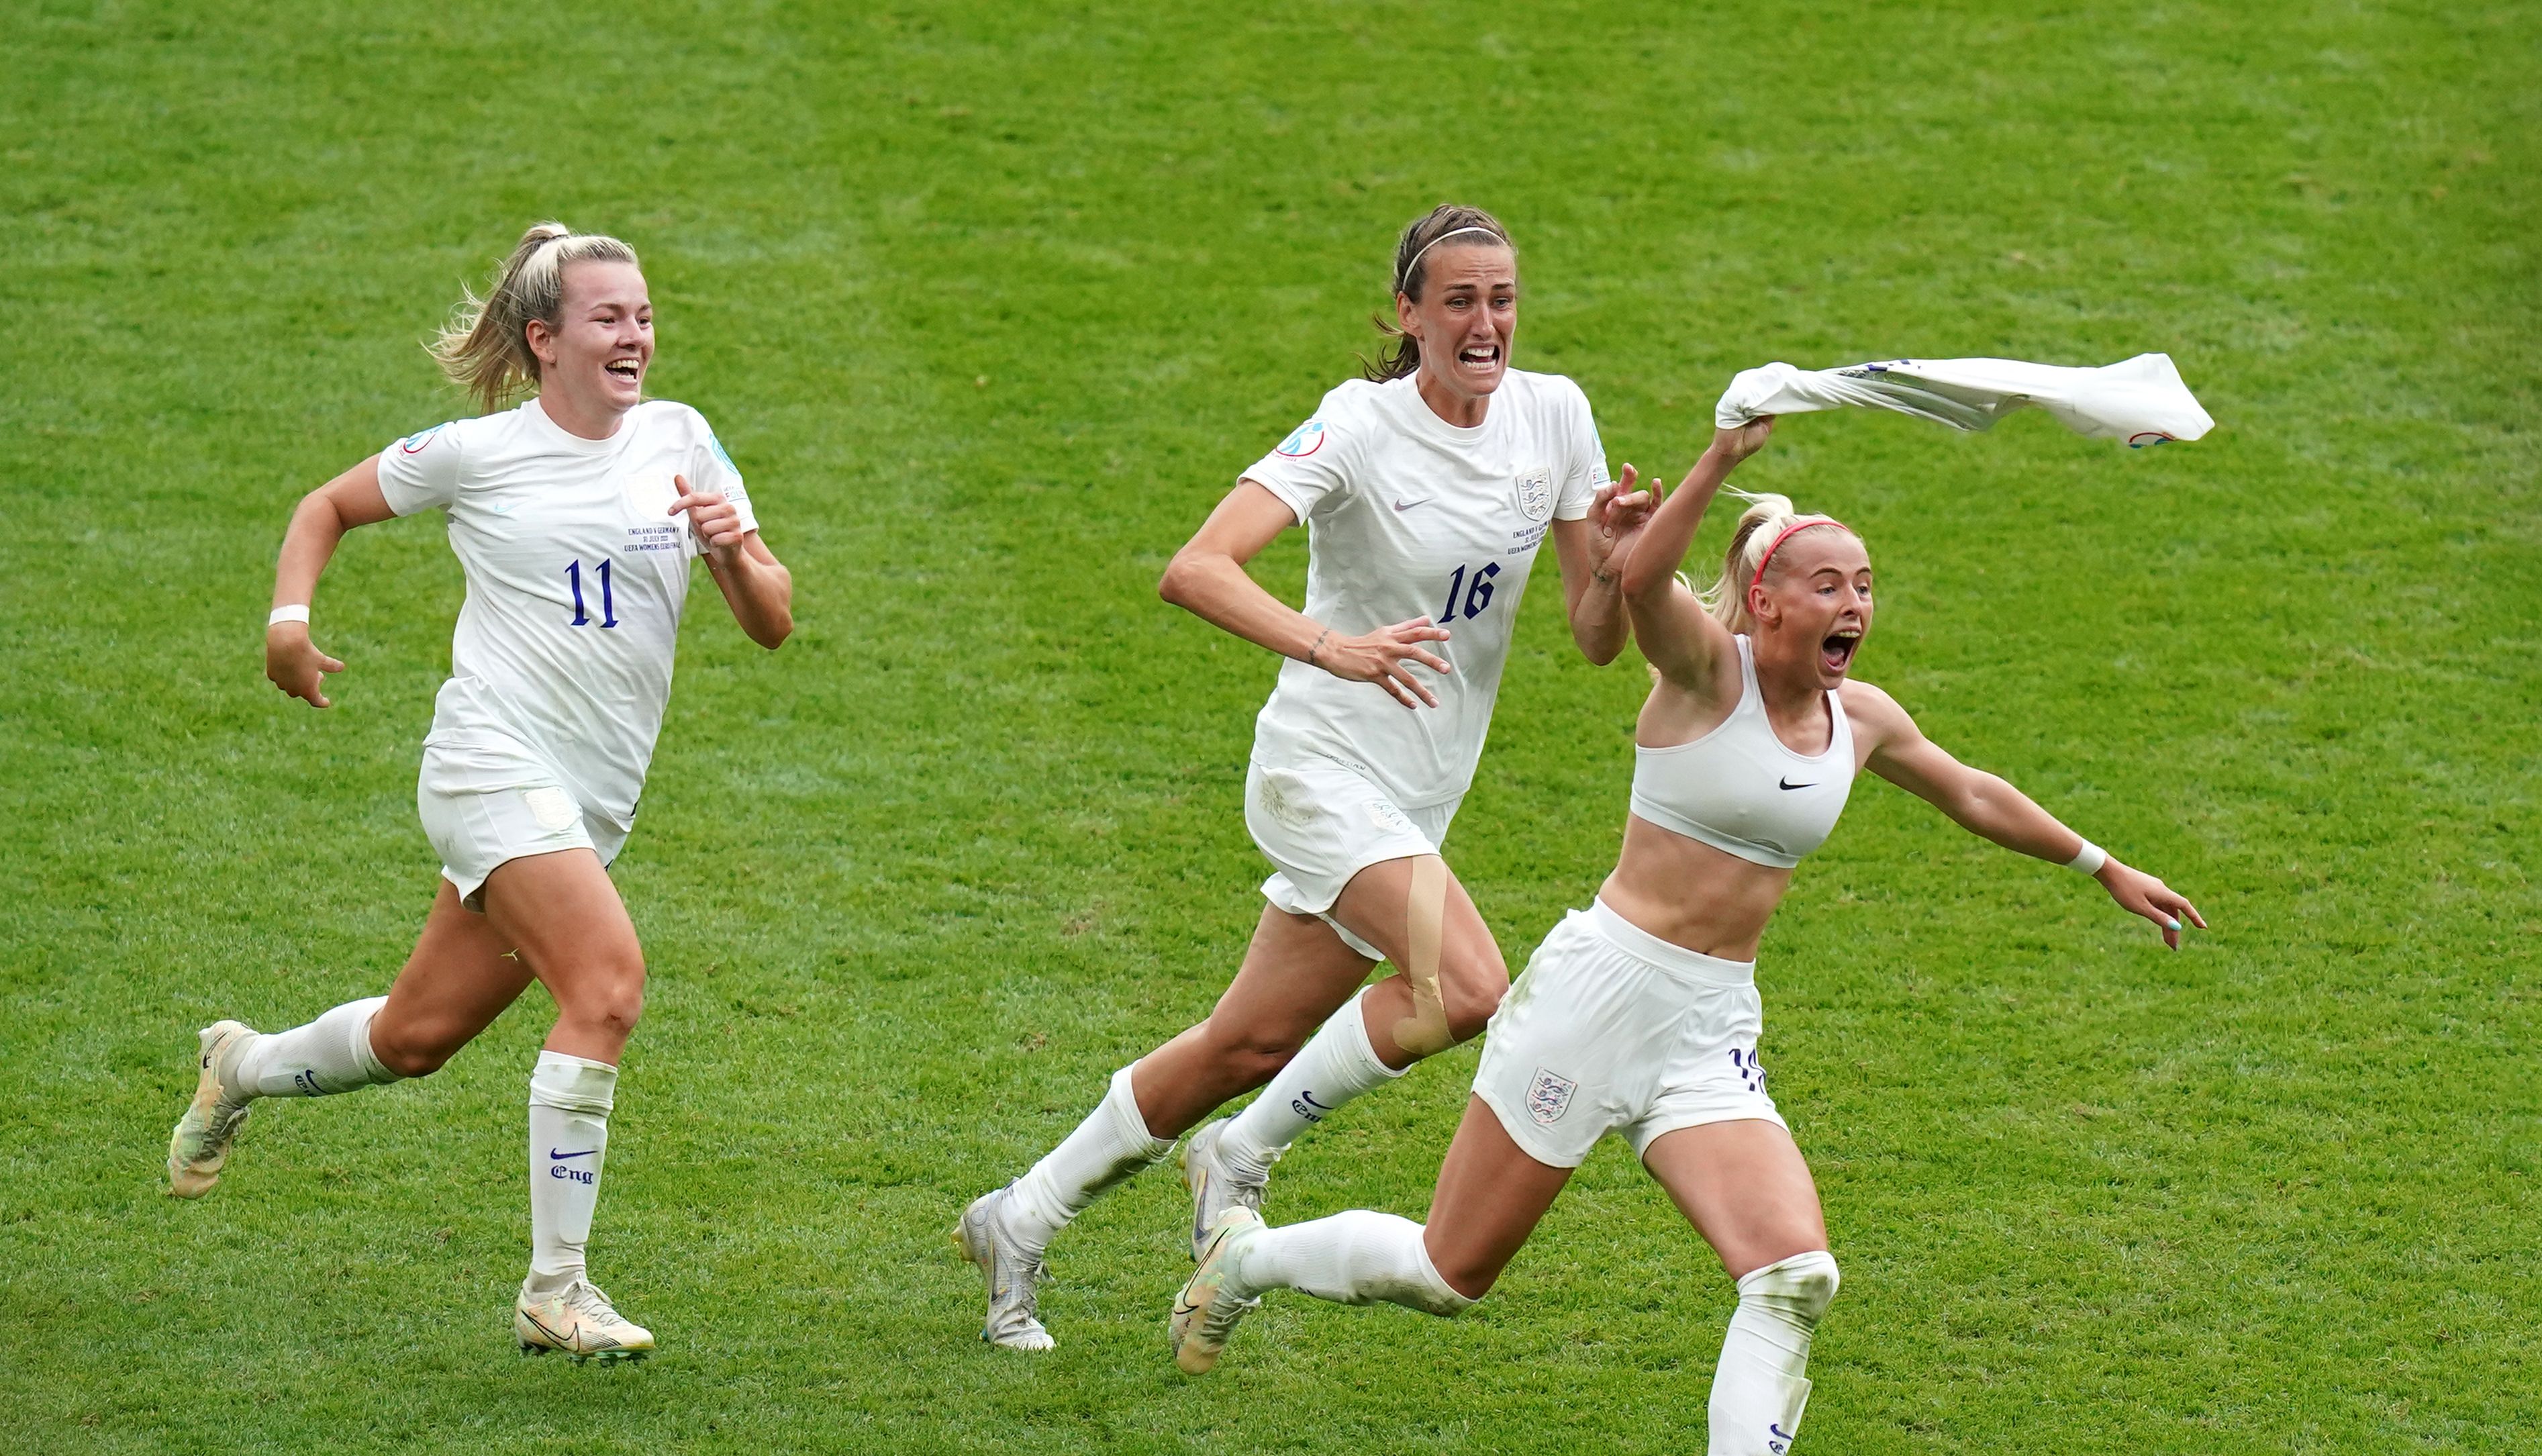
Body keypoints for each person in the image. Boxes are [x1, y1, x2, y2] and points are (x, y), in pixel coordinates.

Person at [1166, 416, 2206, 1456]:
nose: (1855, 604)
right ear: (1765, 601)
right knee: (1451, 1272)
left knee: (1793, 1275)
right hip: (1594, 999)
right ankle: (1246, 1263)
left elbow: (1971, 791)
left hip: (1711, 1022)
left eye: (1866, 584)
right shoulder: (1708, 673)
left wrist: (2104, 866)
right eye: (1830, 585)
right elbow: (1638, 585)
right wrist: (1718, 461)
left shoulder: (1865, 718)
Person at [957, 204, 1658, 1350]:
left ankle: (1016, 1217)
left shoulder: (1556, 416)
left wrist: (1621, 566)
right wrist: (1334, 647)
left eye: (1504, 299)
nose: (1488, 324)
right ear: (1409, 314)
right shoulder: (1358, 428)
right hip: (1319, 769)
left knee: (1244, 1045)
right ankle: (1241, 1155)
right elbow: (1197, 568)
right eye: (1461, 302)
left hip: (1418, 792)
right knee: (1468, 983)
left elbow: (1592, 638)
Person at [165, 222, 793, 1363]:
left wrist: (732, 555)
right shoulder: (475, 453)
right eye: (610, 318)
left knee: (415, 1037)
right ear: (545, 339)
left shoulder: (682, 439)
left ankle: (238, 1063)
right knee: (606, 986)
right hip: (489, 768)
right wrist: (288, 624)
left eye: (644, 315)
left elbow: (774, 622)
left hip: (587, 809)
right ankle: (557, 1287)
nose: (636, 335)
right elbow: (327, 508)